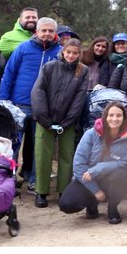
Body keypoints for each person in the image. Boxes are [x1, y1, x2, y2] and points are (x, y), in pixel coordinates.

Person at [0, 15, 62, 181]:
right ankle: (7, 178)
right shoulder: (23, 48)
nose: (47, 34)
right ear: (37, 31)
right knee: (12, 144)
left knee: (38, 146)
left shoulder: (60, 52)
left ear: (55, 32)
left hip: (43, 106)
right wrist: (3, 101)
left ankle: (35, 180)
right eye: (44, 30)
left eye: (50, 31)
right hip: (19, 103)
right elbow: (9, 74)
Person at [30, 35, 89, 207]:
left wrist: (68, 120)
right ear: (63, 52)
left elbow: (79, 98)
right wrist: (44, 118)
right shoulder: (49, 66)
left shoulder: (82, 71)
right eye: (68, 52)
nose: (71, 56)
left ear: (79, 54)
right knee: (43, 155)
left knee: (67, 155)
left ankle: (64, 189)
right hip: (45, 119)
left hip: (67, 121)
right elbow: (38, 91)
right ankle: (41, 191)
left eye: (75, 53)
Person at [61, 102, 127, 224]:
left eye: (119, 115)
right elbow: (79, 166)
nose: (114, 119)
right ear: (105, 116)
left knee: (123, 175)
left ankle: (112, 208)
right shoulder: (90, 134)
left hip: (111, 178)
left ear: (124, 118)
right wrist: (95, 190)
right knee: (67, 204)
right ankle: (91, 204)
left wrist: (101, 167)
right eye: (111, 115)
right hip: (88, 178)